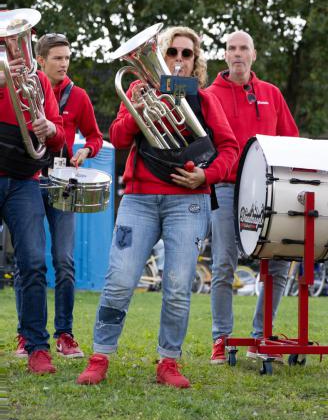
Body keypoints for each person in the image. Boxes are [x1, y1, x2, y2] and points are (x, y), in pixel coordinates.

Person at [77, 25, 239, 388]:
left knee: (179, 284)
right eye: (173, 52)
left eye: (187, 54)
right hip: (139, 198)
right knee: (119, 279)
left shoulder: (204, 98)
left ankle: (169, 362)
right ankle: (100, 355)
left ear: (195, 61)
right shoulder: (137, 89)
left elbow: (230, 149)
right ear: (162, 54)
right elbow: (117, 139)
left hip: (189, 202)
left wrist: (206, 177)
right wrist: (136, 107)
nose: (179, 60)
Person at [205, 30, 299, 364]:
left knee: (278, 263)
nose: (238, 54)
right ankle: (222, 337)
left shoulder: (271, 94)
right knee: (223, 264)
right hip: (227, 188)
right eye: (232, 48)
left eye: (244, 48)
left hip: (270, 190)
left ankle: (261, 337)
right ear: (225, 55)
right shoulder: (208, 95)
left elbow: (291, 141)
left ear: (254, 54)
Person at [14, 33, 103, 359]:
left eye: (67, 57)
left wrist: (87, 150)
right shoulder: (24, 89)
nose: (64, 63)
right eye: (57, 58)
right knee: (27, 263)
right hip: (29, 182)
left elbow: (95, 135)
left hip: (63, 182)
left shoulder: (78, 96)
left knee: (64, 261)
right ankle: (26, 336)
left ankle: (65, 334)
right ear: (40, 60)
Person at [0, 21, 65, 373]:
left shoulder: (38, 82)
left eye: (19, 42)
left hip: (24, 180)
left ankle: (38, 347)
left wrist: (51, 129)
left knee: (34, 263)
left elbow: (58, 136)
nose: (15, 51)